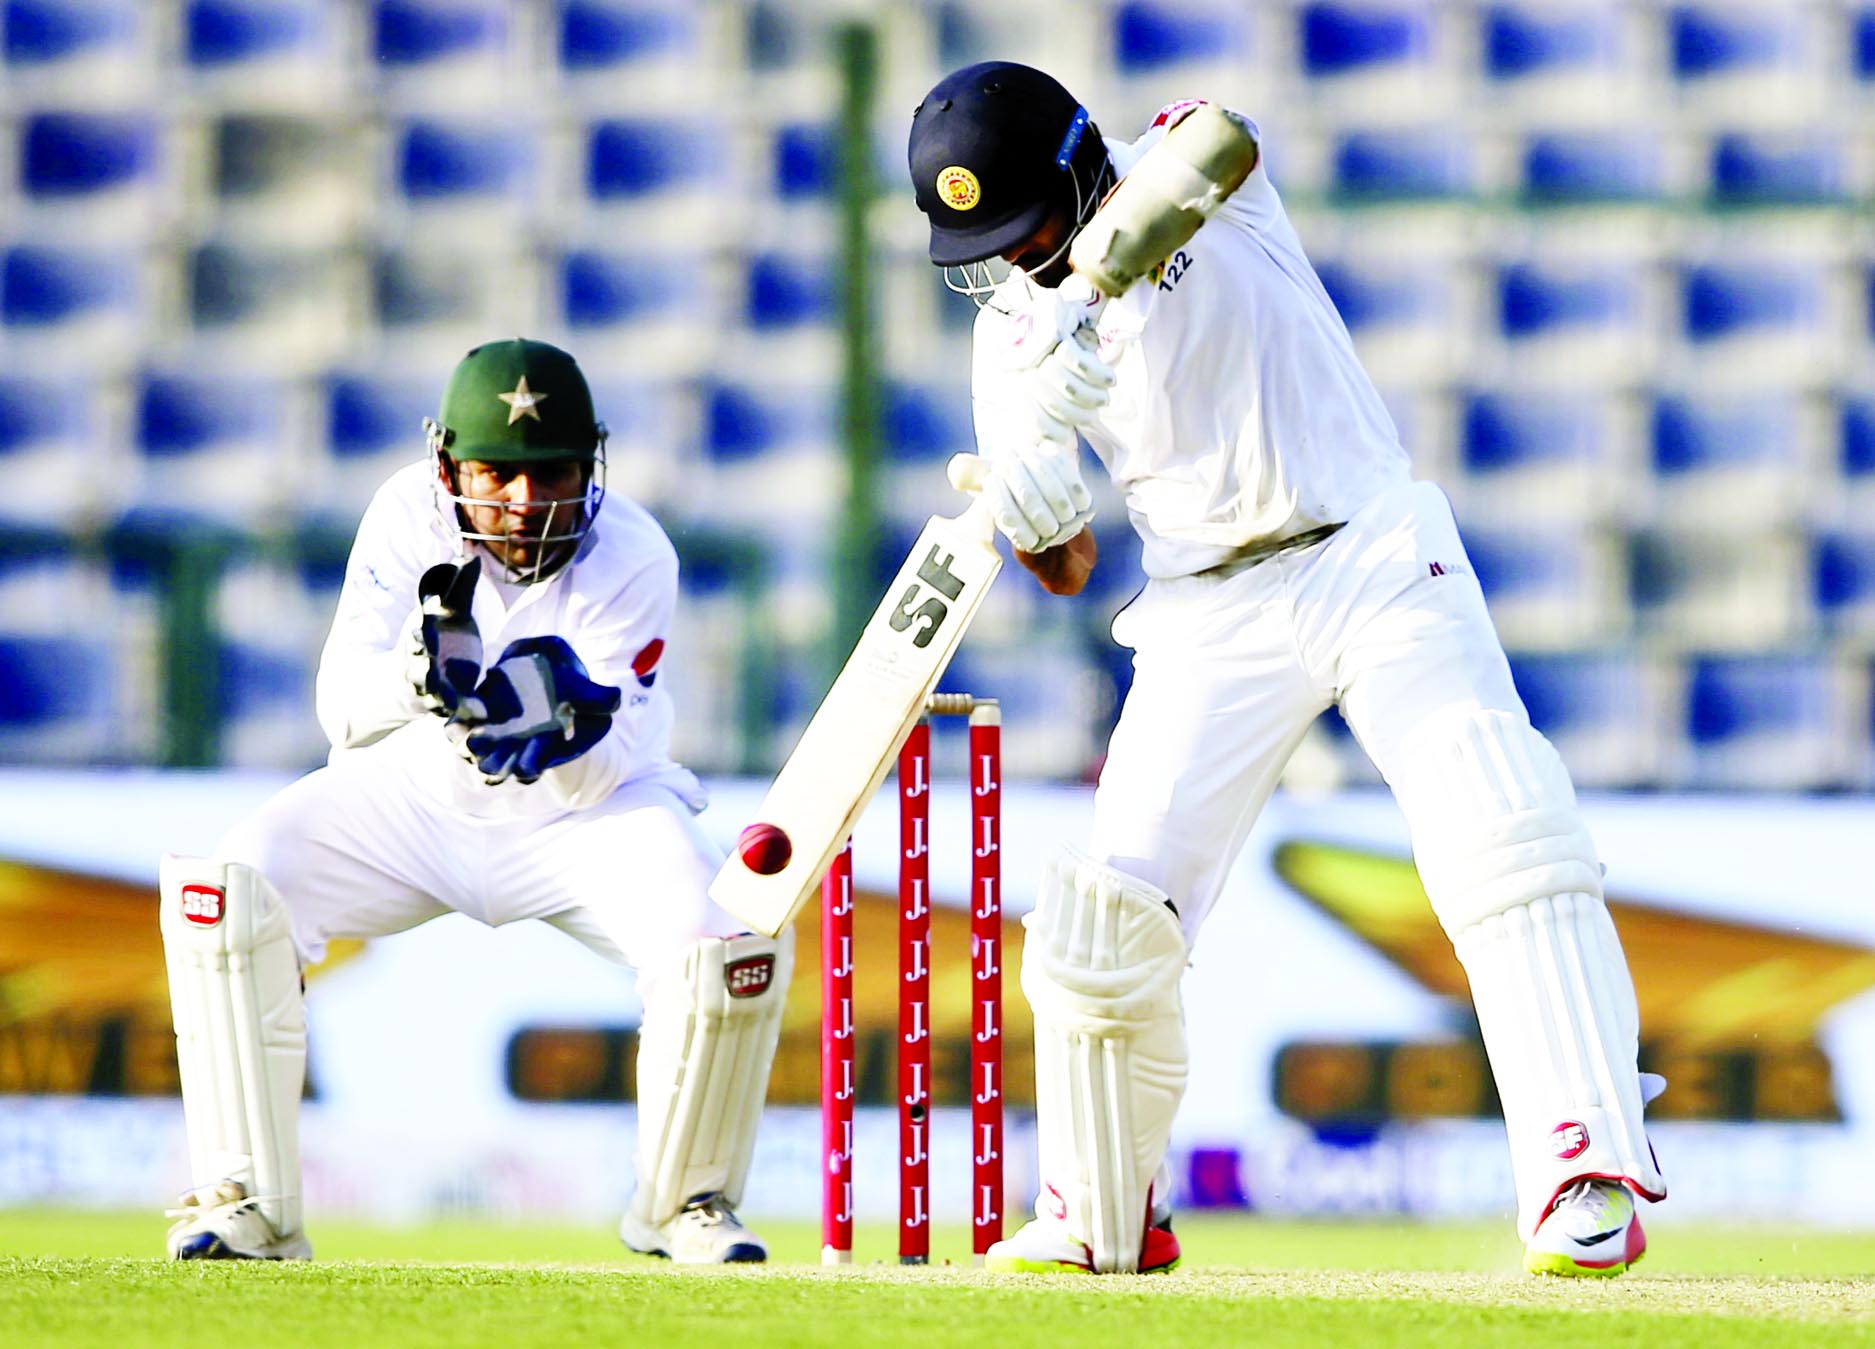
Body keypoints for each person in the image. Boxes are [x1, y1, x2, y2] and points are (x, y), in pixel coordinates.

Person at [907, 62, 1665, 1278]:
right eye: (1004, 248)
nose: (1031, 262)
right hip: (1206, 610)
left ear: (1080, 168)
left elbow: (1221, 139)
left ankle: (1585, 1171)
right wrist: (1035, 495)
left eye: (1041, 229)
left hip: (1369, 548)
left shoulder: (1184, 178)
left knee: (1501, 828)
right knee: (1103, 919)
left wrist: (1096, 282)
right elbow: (1065, 564)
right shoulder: (1011, 338)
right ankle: (1103, 1213)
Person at [158, 338, 791, 1264]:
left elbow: (600, 768)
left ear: (591, 464)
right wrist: (424, 682)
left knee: (719, 948)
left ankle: (680, 1204)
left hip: (589, 817)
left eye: (552, 474)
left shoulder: (635, 553)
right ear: (449, 465)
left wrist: (553, 728)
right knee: (235, 889)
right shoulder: (403, 515)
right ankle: (246, 1199)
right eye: (498, 474)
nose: (526, 503)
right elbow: (341, 708)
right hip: (417, 797)